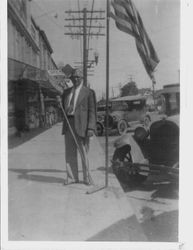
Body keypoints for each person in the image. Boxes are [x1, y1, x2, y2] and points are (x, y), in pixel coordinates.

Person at [61, 68, 96, 185]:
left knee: (83, 153)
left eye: (78, 77)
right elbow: (62, 108)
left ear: (82, 78)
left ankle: (86, 178)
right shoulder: (66, 92)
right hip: (68, 124)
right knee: (70, 153)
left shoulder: (88, 92)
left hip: (82, 126)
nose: (75, 79)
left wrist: (91, 128)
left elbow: (92, 111)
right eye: (74, 77)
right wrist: (58, 102)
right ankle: (72, 178)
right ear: (71, 78)